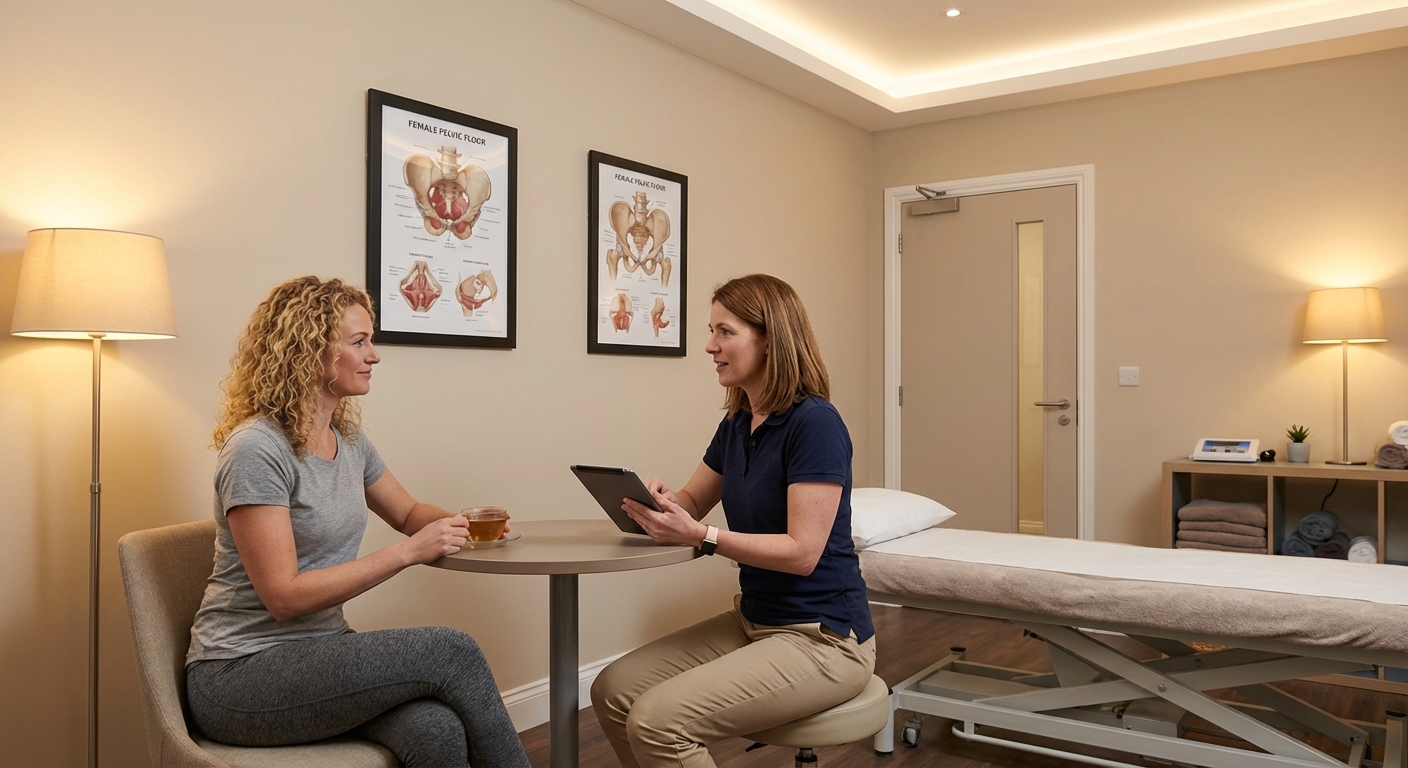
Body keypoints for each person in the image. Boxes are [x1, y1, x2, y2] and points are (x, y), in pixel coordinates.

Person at [184, 276, 529, 767]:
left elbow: (408, 514)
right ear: (308, 351)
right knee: (453, 651)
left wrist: (464, 525)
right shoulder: (257, 449)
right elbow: (283, 597)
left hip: (319, 653)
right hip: (239, 675)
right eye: (359, 341)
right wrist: (407, 553)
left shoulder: (346, 440)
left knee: (436, 728)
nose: (375, 355)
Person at [590, 273, 875, 767]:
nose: (709, 346)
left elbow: (803, 553)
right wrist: (660, 504)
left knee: (659, 722)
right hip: (754, 620)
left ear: (769, 340)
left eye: (725, 331)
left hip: (824, 639)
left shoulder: (815, 424)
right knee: (613, 691)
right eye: (711, 331)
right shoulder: (738, 423)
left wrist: (703, 538)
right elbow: (692, 502)